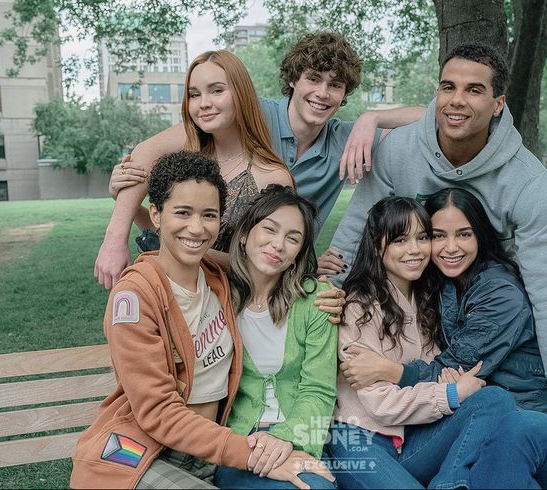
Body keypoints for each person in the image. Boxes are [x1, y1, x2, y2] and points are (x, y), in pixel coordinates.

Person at [322, 42, 547, 472]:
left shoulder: (526, 181)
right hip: (440, 340)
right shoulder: (400, 150)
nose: (457, 100)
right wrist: (327, 290)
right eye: (448, 87)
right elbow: (360, 227)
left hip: (489, 338)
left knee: (506, 425)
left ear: (498, 103)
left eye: (473, 90)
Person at [71, 152, 329, 489]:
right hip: (145, 452)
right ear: (156, 214)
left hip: (209, 452)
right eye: (182, 212)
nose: (196, 227)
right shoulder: (134, 296)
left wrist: (324, 292)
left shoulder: (219, 281)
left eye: (209, 215)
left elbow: (270, 269)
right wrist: (250, 453)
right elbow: (159, 412)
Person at [96, 31, 425, 289]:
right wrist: (115, 239)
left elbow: (427, 121)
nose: (323, 93)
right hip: (218, 264)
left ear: (344, 95)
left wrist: (372, 119)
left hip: (273, 274)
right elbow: (146, 154)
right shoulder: (250, 114)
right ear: (294, 79)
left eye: (335, 85)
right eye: (313, 79)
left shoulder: (346, 139)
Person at [340, 188, 547, 488]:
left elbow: (452, 369)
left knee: (497, 412)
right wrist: (451, 390)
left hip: (514, 418)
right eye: (438, 235)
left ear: (480, 236)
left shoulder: (497, 295)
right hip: (390, 431)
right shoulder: (406, 296)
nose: (449, 247)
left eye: (463, 234)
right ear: (378, 247)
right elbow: (438, 380)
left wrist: (392, 371)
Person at [328, 196, 516, 489]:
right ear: (379, 246)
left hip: (411, 437)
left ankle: (449, 483)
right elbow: (381, 405)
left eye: (423, 237)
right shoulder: (359, 308)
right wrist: (451, 394)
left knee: (495, 400)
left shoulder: (426, 300)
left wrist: (442, 386)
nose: (415, 250)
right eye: (400, 240)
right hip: (360, 439)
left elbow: (436, 371)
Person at [100, 50, 293, 279]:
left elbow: (264, 262)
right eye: (194, 94)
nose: (203, 104)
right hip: (171, 292)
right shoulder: (189, 146)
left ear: (242, 94)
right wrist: (118, 227)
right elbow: (143, 153)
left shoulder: (272, 177)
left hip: (230, 304)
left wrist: (179, 247)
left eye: (217, 90)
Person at [214, 185, 338, 489]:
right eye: (269, 229)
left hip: (301, 437)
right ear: (244, 234)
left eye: (293, 238)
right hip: (240, 444)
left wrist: (284, 437)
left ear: (298, 254)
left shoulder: (317, 301)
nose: (278, 244)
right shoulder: (218, 299)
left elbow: (318, 390)